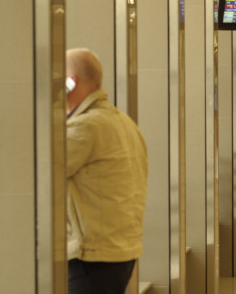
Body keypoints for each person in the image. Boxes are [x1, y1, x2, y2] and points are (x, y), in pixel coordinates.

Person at [65, 48, 149, 294]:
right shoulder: (125, 123)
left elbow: (37, 169)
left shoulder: (85, 127)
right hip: (121, 251)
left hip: (93, 258)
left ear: (72, 81)